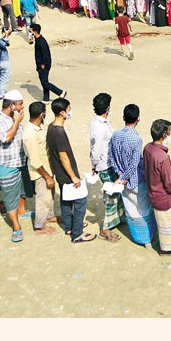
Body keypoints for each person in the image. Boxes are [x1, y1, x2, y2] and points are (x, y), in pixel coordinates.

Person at [46, 97, 96, 244]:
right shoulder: (59, 133)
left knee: (66, 200)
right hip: (67, 174)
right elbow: (64, 158)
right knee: (80, 202)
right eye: (69, 109)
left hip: (60, 174)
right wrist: (73, 176)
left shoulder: (51, 127)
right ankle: (77, 233)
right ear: (62, 112)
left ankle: (69, 226)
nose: (70, 111)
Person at [109, 103, 156, 248]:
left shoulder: (115, 135)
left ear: (124, 117)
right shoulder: (136, 139)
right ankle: (147, 239)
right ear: (138, 119)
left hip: (122, 180)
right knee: (144, 209)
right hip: (136, 180)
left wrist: (120, 175)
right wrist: (125, 177)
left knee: (130, 209)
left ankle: (137, 236)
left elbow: (111, 156)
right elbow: (135, 163)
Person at [0, 89, 30, 242]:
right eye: (20, 104)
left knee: (22, 189)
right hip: (6, 165)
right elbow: (6, 137)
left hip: (20, 161)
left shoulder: (14, 117)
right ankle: (16, 226)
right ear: (12, 105)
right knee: (10, 196)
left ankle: (22, 210)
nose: (22, 106)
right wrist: (17, 121)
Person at [144, 119, 171, 255]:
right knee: (169, 226)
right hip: (164, 198)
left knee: (162, 224)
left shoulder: (148, 148)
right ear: (164, 136)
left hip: (153, 194)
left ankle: (165, 246)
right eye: (169, 133)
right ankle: (168, 249)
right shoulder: (162, 157)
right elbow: (169, 184)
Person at [90, 93, 122, 243]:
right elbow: (95, 150)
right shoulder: (99, 127)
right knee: (110, 197)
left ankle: (118, 219)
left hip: (110, 163)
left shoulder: (102, 123)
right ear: (107, 107)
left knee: (118, 192)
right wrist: (94, 166)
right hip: (104, 165)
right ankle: (105, 229)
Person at [23, 101, 59, 235]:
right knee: (42, 198)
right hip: (40, 172)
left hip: (47, 168)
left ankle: (49, 216)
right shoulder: (30, 133)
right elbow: (35, 160)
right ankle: (39, 226)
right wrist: (47, 176)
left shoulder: (36, 128)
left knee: (49, 196)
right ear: (42, 115)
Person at [30, 24, 65, 102]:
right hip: (40, 64)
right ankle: (46, 98)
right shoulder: (38, 39)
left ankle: (60, 92)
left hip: (43, 65)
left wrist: (43, 64)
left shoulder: (41, 42)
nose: (30, 32)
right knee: (44, 81)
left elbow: (45, 54)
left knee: (45, 82)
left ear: (34, 31)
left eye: (31, 31)